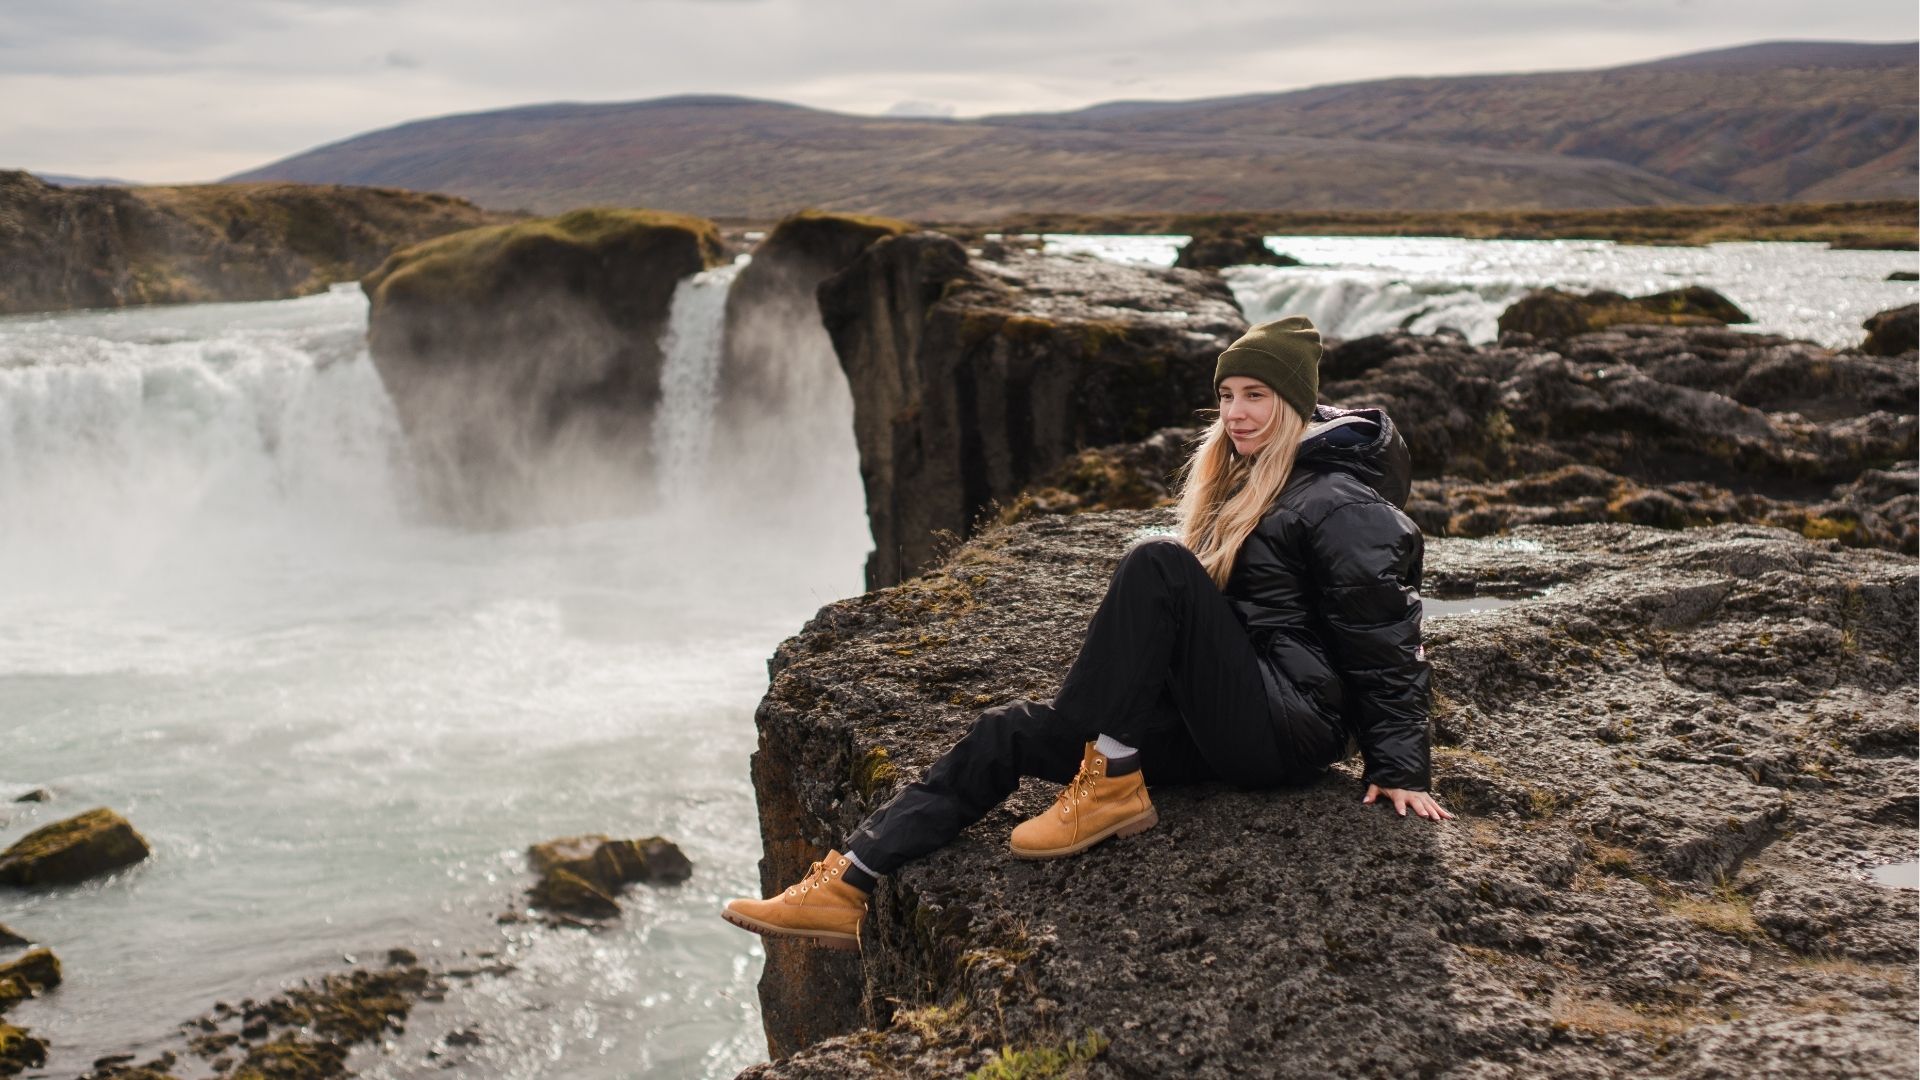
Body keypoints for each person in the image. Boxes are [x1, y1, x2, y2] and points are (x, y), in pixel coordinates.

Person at [721, 315, 1451, 952]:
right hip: (1226, 713)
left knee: (1158, 564)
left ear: (1294, 403)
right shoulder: (1250, 478)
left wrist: (1400, 766)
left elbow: (1387, 636)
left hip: (1288, 728)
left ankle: (1109, 779)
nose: (1236, 413)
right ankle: (849, 881)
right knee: (1009, 731)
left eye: (1255, 395)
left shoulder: (1338, 501)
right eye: (1227, 395)